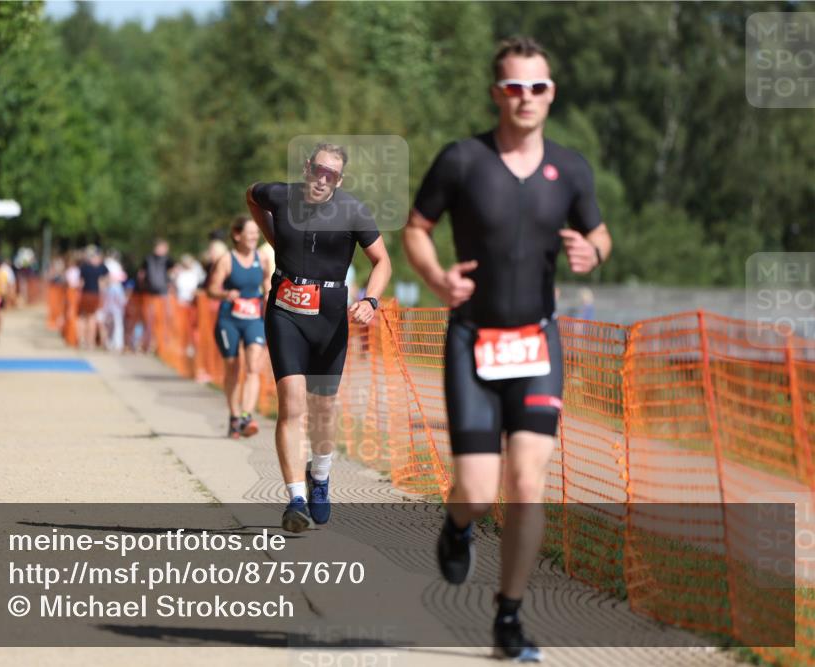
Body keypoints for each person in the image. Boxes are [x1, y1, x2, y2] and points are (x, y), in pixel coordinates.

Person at [403, 37, 613, 662]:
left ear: (552, 93)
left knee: (526, 481)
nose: (526, 98)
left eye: (538, 87)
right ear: (496, 93)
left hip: (537, 341)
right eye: (514, 87)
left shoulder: (570, 169)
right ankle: (458, 525)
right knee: (476, 487)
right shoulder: (462, 160)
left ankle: (510, 617)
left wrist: (592, 252)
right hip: (473, 339)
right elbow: (416, 229)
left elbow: (599, 234)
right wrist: (438, 278)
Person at [247, 142, 391, 532]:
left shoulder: (352, 211)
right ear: (308, 167)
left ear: (339, 180)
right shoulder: (280, 195)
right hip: (285, 312)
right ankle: (295, 499)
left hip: (329, 319)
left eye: (332, 175)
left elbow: (382, 261)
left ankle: (320, 477)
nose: (322, 179)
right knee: (292, 405)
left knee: (323, 410)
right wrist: (273, 235)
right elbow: (252, 195)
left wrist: (371, 300)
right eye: (318, 170)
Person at [207, 215, 274, 438]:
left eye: (257, 232)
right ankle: (234, 416)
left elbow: (266, 282)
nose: (255, 236)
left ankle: (247, 416)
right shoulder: (227, 260)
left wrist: (268, 295)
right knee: (233, 368)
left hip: (254, 317)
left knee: (254, 365)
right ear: (237, 235)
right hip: (230, 319)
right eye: (251, 232)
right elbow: (211, 289)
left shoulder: (262, 258)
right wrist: (226, 293)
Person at [142, 239, 174, 354]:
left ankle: (162, 344)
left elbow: (173, 273)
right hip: (150, 295)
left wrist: (171, 287)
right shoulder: (148, 259)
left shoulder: (168, 260)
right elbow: (142, 274)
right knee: (150, 320)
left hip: (163, 295)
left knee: (163, 320)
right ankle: (149, 344)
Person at [77, 246, 109, 349]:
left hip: (86, 294)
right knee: (91, 318)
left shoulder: (84, 267)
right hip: (95, 295)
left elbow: (80, 283)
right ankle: (89, 342)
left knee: (83, 318)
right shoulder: (101, 268)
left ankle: (82, 340)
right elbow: (106, 281)